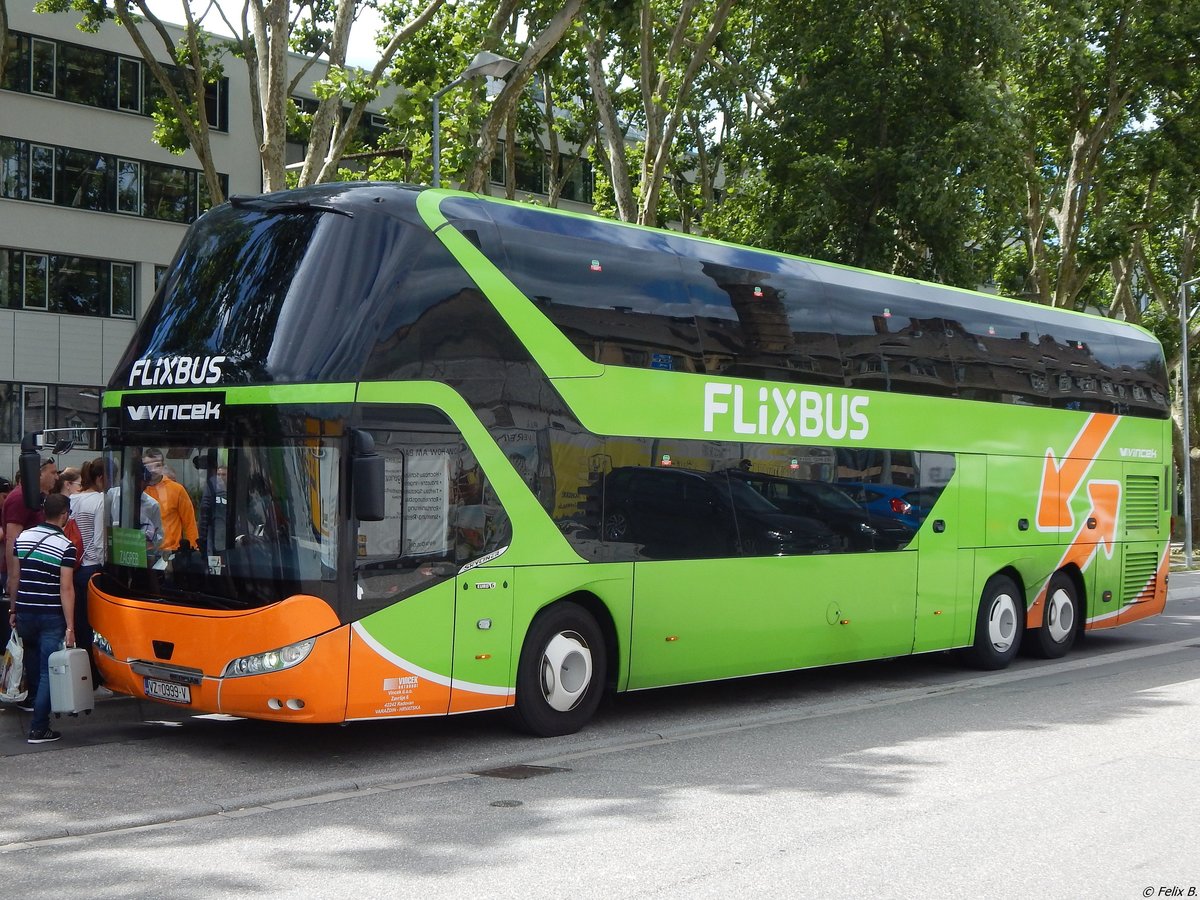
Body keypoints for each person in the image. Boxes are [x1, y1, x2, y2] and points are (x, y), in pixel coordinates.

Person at [9, 492, 77, 743]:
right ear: (64, 515)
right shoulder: (66, 546)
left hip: (25, 611)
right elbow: (66, 588)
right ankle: (39, 727)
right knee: (49, 671)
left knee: (34, 664)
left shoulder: (22, 538)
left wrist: (13, 610)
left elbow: (14, 578)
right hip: (50, 615)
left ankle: (34, 708)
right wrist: (70, 626)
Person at [70, 458, 108, 689]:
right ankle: (95, 677)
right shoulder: (101, 501)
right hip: (92, 566)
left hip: (72, 568)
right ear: (101, 478)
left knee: (80, 624)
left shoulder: (72, 499)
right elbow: (99, 542)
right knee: (95, 627)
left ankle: (82, 677)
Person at [141, 448, 198, 554]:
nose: (153, 470)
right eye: (148, 466)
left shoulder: (177, 489)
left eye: (157, 465)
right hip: (144, 551)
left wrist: (193, 550)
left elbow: (189, 523)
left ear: (163, 466)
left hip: (171, 551)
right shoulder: (137, 490)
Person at [198, 464, 228, 555]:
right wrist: (202, 538)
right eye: (218, 474)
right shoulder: (210, 489)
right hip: (214, 536)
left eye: (223, 474)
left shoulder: (237, 491)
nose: (220, 477)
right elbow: (204, 513)